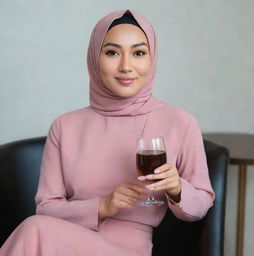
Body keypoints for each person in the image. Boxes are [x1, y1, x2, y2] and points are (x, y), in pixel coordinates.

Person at [0, 9, 215, 256]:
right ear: (94, 58)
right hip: (56, 242)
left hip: (127, 249)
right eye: (112, 52)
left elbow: (200, 205)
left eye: (139, 53)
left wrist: (177, 187)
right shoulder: (64, 126)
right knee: (36, 228)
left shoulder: (180, 122)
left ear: (152, 58)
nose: (126, 66)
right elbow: (47, 209)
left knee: (33, 230)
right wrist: (103, 205)